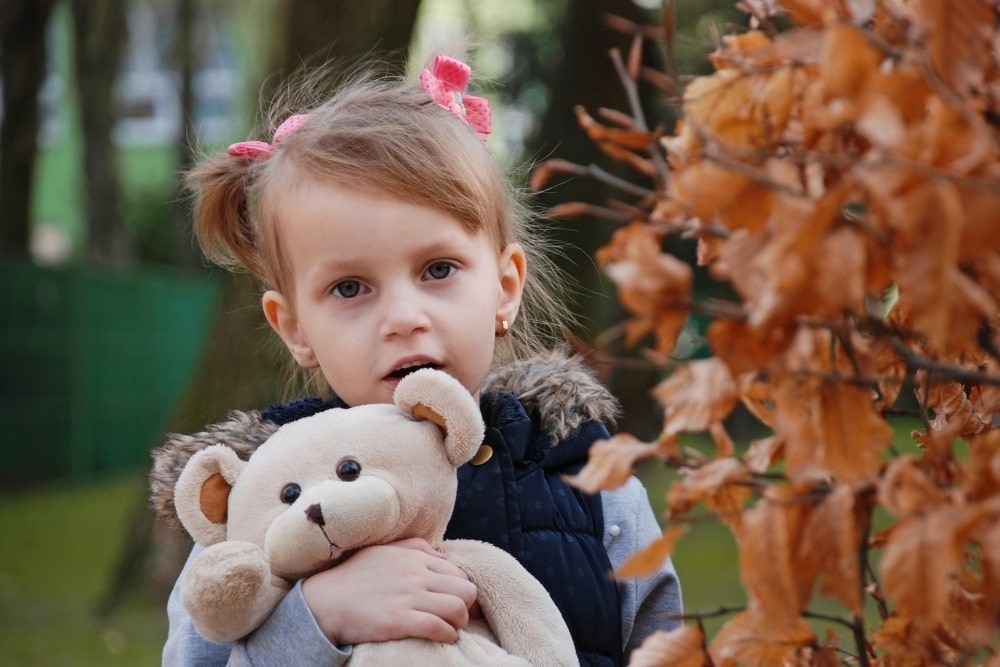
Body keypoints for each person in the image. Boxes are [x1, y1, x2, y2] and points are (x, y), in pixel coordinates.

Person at [149, 54, 682, 667]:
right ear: (294, 326)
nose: (403, 317)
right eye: (350, 288)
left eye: (438, 270)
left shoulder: (592, 484)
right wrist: (315, 620)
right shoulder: (260, 501)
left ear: (504, 287)